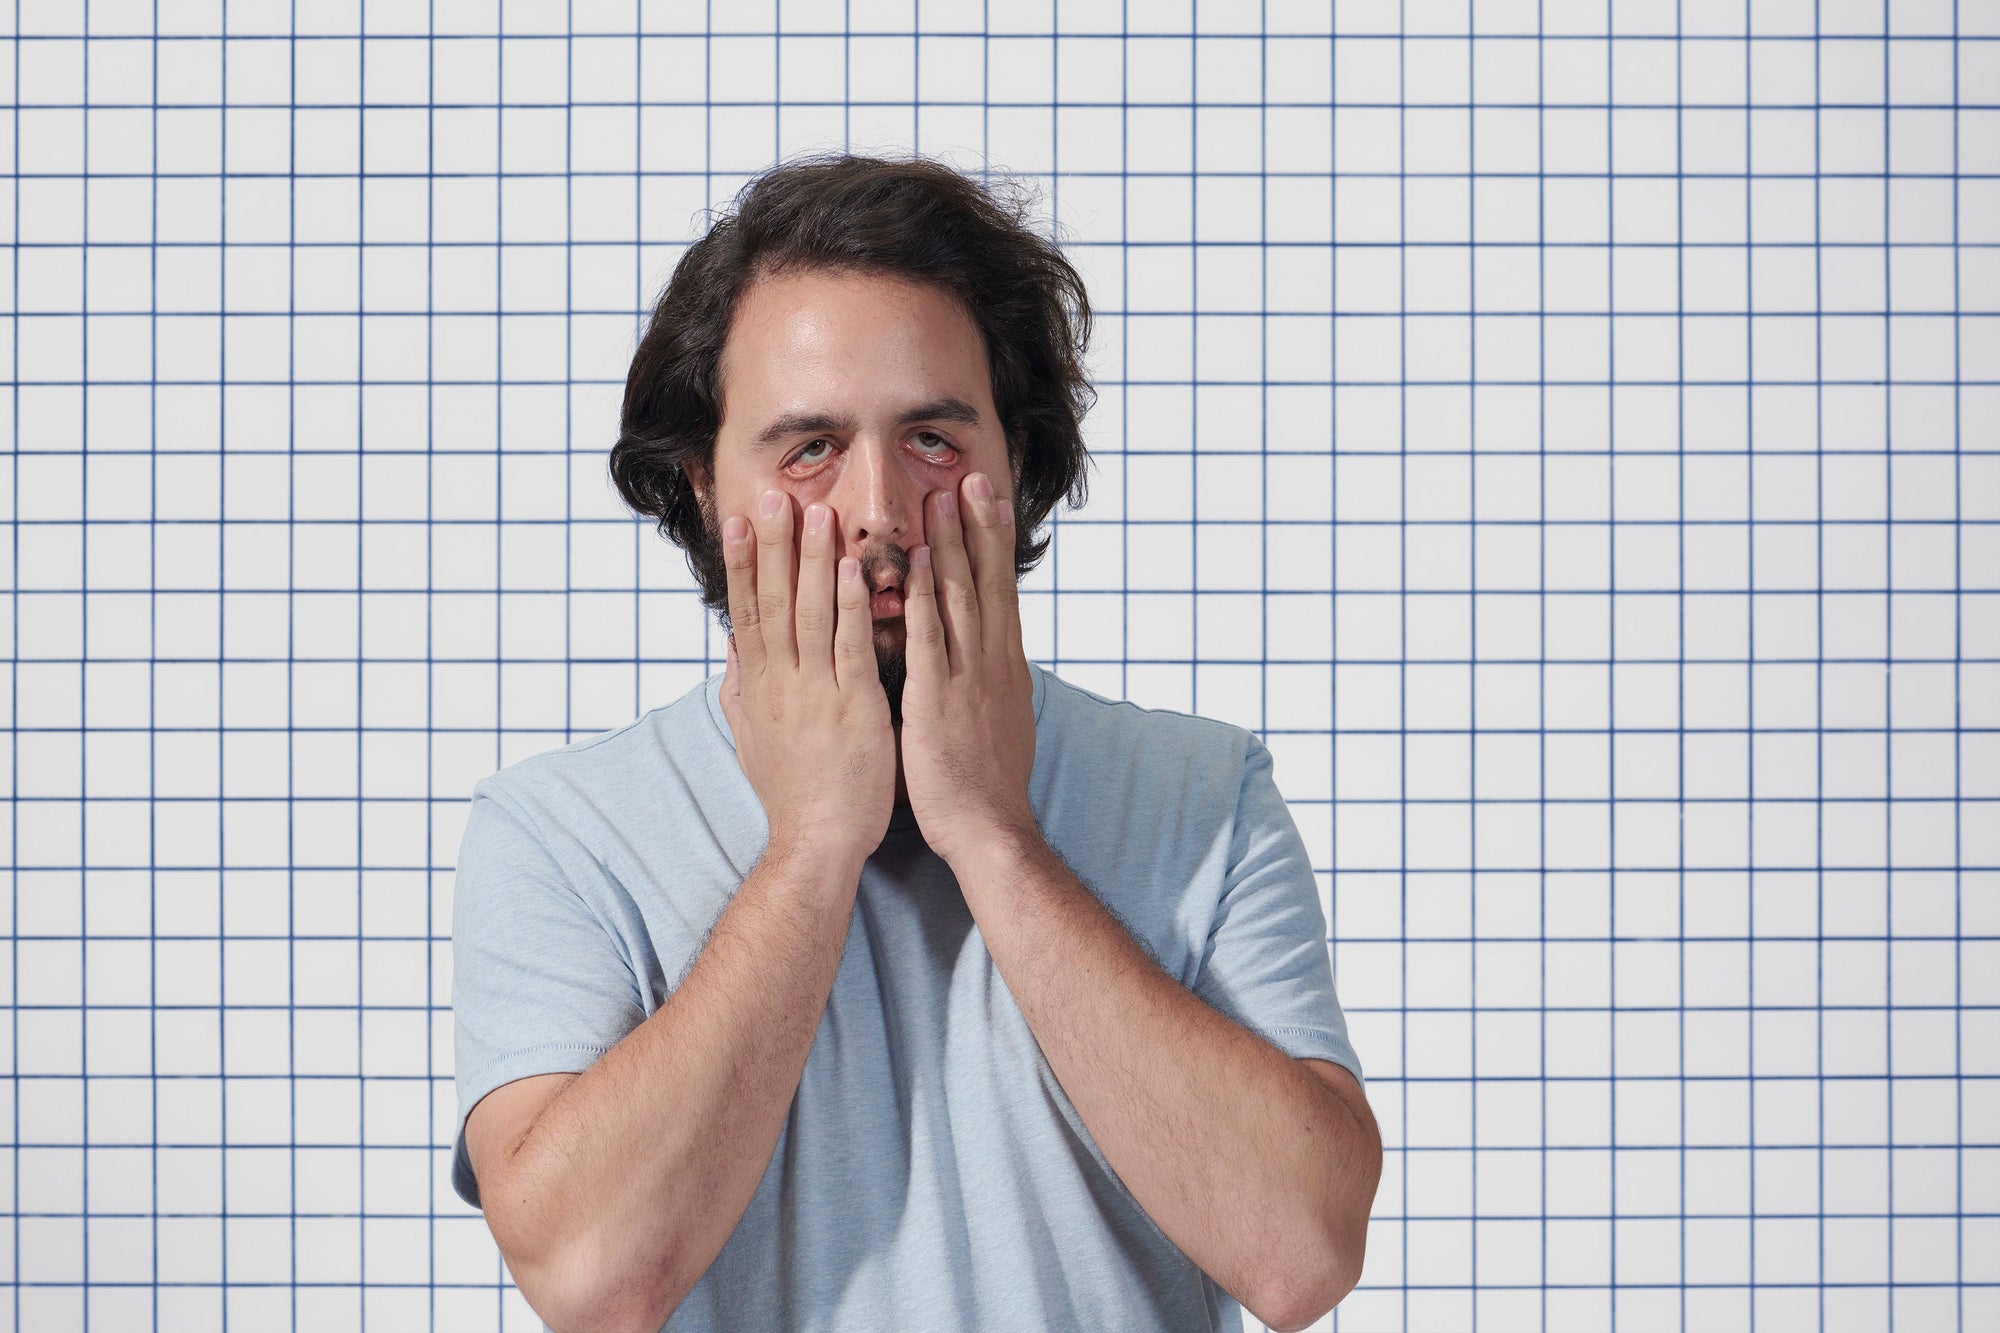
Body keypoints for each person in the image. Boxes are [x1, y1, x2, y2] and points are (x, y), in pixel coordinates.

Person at [449, 150, 1381, 1333]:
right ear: (698, 485)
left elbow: (1300, 1256)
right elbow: (590, 1278)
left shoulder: (1203, 792)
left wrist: (993, 831)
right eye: (808, 449)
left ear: (1016, 463)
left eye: (934, 439)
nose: (879, 513)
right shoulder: (559, 831)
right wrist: (811, 846)